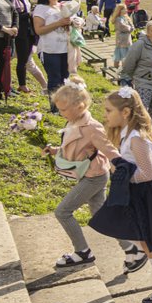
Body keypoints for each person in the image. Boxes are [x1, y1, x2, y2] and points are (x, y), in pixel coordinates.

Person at [88, 86, 152, 298]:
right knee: (129, 228)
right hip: (143, 191)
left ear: (125, 112)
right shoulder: (128, 134)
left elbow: (147, 173)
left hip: (149, 192)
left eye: (108, 111)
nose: (104, 115)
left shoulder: (136, 138)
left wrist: (121, 174)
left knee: (149, 240)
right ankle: (141, 250)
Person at [42, 76, 122, 268]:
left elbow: (109, 149)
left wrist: (123, 167)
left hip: (94, 176)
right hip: (90, 173)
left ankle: (82, 251)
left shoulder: (92, 127)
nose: (60, 113)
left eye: (63, 110)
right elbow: (76, 146)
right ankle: (131, 247)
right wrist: (55, 150)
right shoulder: (73, 121)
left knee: (63, 212)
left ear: (79, 106)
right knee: (101, 215)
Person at [34, 0, 73, 109]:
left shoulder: (62, 6)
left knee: (65, 78)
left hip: (65, 48)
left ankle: (64, 105)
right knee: (54, 77)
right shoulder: (41, 8)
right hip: (49, 49)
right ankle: (54, 107)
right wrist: (58, 23)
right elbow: (39, 30)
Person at [120, 21, 152, 124]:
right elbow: (129, 63)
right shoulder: (140, 44)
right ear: (147, 32)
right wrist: (130, 77)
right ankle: (136, 134)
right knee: (141, 112)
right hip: (144, 82)